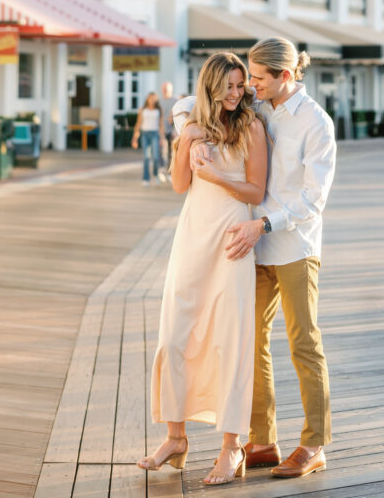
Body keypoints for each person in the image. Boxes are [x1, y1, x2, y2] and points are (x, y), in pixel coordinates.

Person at [191, 37, 336, 480]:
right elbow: (194, 100)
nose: (249, 86)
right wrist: (190, 135)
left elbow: (314, 199)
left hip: (293, 247)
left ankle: (313, 445)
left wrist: (264, 224)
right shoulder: (257, 108)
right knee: (249, 343)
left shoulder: (316, 123)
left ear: (284, 77)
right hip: (252, 248)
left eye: (257, 77)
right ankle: (262, 440)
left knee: (303, 344)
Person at [138, 53, 267, 486]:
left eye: (240, 85)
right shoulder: (193, 124)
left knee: (229, 340)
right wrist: (185, 140)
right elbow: (178, 185)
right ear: (211, 86)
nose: (235, 94)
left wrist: (215, 175)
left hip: (232, 238)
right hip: (193, 237)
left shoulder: (251, 126)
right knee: (174, 334)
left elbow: (255, 188)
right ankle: (176, 438)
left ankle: (232, 447)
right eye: (228, 86)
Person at [131, 92, 164, 186]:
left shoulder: (159, 110)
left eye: (154, 98)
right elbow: (138, 124)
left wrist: (162, 137)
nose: (152, 100)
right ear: (147, 99)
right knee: (146, 157)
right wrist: (135, 138)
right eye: (150, 98)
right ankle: (146, 178)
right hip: (145, 134)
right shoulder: (143, 110)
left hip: (155, 134)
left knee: (156, 157)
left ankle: (156, 174)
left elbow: (161, 125)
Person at [159, 81, 176, 183]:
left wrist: (175, 130)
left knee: (171, 153)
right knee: (161, 152)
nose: (165, 91)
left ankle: (170, 173)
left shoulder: (175, 101)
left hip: (172, 131)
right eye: (164, 89)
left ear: (171, 90)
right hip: (161, 130)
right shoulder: (159, 102)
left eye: (167, 89)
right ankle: (161, 171)